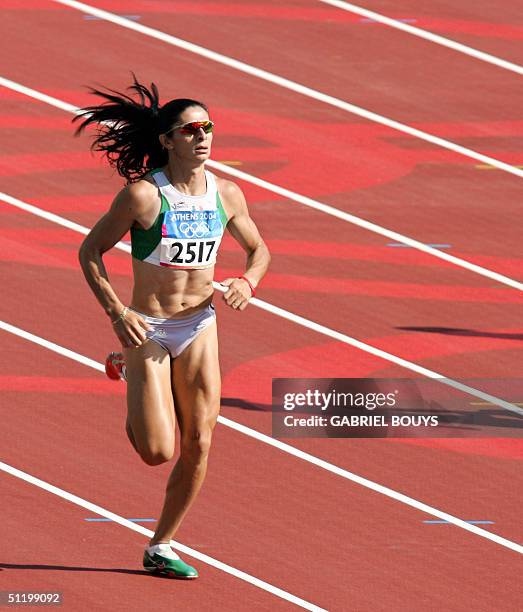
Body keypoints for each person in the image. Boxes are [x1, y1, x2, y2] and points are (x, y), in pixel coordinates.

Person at [75, 76, 270, 579]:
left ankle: (161, 544)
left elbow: (259, 249)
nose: (203, 136)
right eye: (191, 129)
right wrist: (119, 313)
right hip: (149, 329)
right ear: (167, 140)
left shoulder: (226, 193)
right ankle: (130, 370)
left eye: (208, 127)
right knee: (158, 451)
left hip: (200, 324)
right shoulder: (143, 197)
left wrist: (248, 282)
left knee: (201, 443)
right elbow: (90, 251)